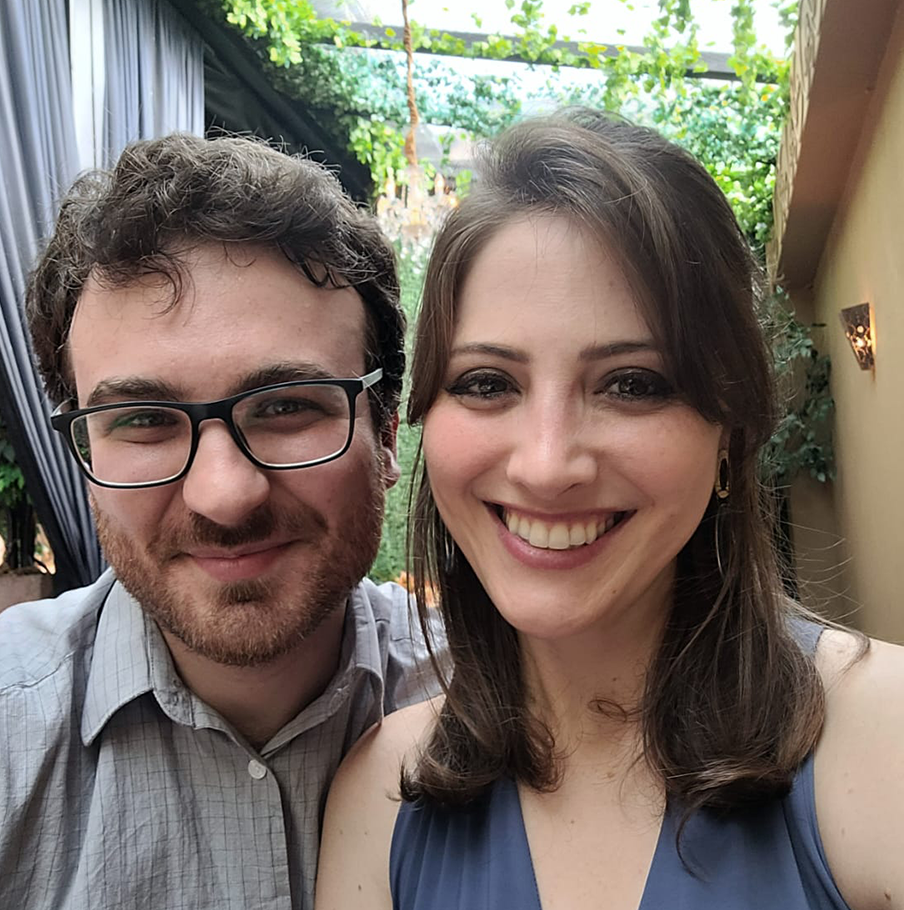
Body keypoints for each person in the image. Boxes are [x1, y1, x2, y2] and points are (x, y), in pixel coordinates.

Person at [316, 109, 904, 910]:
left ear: (728, 436)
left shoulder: (882, 742)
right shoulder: (380, 801)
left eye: (633, 384)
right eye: (488, 383)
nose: (549, 464)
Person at [0, 133, 438, 910]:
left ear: (385, 432)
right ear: (85, 450)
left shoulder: (509, 710)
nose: (224, 496)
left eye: (287, 405)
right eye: (145, 419)